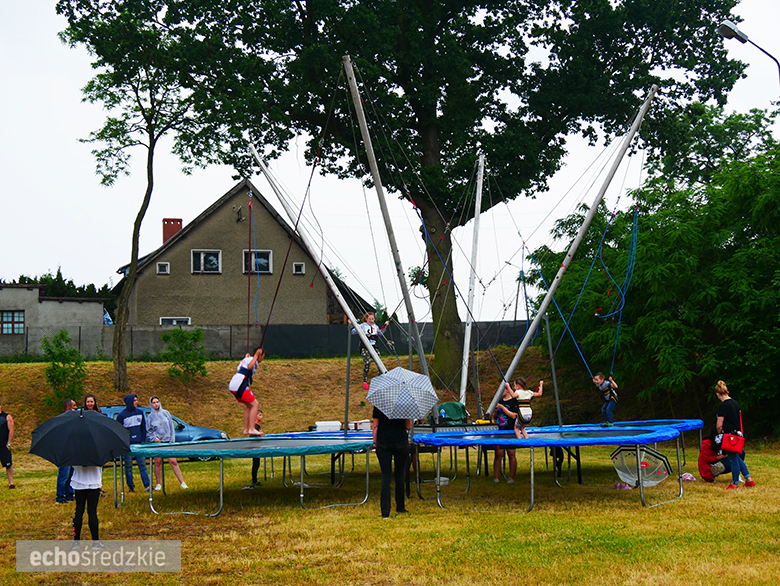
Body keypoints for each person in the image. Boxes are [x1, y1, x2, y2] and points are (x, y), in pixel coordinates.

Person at [715, 380, 755, 490]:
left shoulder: (723, 406)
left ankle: (735, 483)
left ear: (718, 394)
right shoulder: (735, 403)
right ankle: (749, 479)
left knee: (733, 460)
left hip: (728, 436)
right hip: (737, 435)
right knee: (737, 458)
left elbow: (719, 425)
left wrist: (719, 435)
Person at [372, 405, 411, 518]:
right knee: (399, 475)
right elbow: (408, 426)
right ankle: (400, 507)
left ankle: (385, 511)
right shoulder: (404, 405)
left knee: (386, 476)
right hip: (401, 441)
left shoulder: (378, 404)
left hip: (383, 442)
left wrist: (375, 443)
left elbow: (375, 426)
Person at [147, 396, 187, 491]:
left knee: (173, 461)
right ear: (151, 404)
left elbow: (171, 428)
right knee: (157, 462)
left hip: (167, 442)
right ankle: (158, 484)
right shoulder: (150, 417)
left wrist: (172, 441)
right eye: (154, 402)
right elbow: (149, 430)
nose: (156, 404)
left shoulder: (166, 413)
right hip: (158, 443)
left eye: (157, 402)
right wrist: (154, 438)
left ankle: (182, 482)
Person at [116, 394, 150, 492]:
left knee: (142, 465)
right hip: (128, 445)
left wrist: (142, 440)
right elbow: (119, 431)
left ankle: (147, 485)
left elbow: (143, 428)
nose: (136, 402)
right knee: (128, 467)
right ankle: (131, 486)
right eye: (134, 400)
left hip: (139, 444)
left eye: (136, 400)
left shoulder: (140, 412)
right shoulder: (122, 415)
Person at [228, 347, 265, 436]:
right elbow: (249, 367)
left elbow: (241, 366)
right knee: (255, 404)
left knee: (249, 406)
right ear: (260, 355)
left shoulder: (247, 359)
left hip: (234, 383)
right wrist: (256, 356)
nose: (263, 358)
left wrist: (249, 357)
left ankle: (246, 429)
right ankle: (252, 428)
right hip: (240, 384)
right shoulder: (253, 360)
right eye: (263, 356)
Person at [351, 312, 389, 390]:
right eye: (370, 319)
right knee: (367, 363)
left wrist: (385, 326)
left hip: (374, 347)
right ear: (366, 319)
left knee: (379, 363)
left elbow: (380, 333)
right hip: (365, 348)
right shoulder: (362, 326)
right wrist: (354, 326)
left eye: (373, 319)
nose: (372, 320)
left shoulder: (375, 327)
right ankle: (365, 381)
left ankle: (380, 380)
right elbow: (353, 332)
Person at [493, 381, 519, 484]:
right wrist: (495, 411)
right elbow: (495, 417)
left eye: (502, 389)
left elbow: (513, 416)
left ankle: (511, 477)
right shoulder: (499, 401)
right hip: (500, 431)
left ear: (508, 390)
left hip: (511, 430)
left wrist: (502, 408)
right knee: (498, 454)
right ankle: (496, 477)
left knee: (511, 453)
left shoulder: (514, 402)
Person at [70, 465, 103, 545]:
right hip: (94, 481)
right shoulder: (99, 452)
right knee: (92, 512)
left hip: (79, 481)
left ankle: (76, 542)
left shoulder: (75, 452)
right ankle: (96, 542)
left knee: (79, 511)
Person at [56, 399, 77, 503]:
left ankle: (69, 494)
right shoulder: (62, 420)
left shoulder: (74, 420)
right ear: (68, 408)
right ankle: (60, 497)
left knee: (71, 475)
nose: (76, 407)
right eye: (74, 405)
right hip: (65, 451)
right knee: (64, 474)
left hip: (73, 450)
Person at [245, 410, 266, 490]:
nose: (262, 417)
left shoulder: (257, 425)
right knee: (255, 464)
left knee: (257, 464)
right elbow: (253, 436)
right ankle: (254, 481)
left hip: (258, 446)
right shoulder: (254, 425)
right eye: (260, 415)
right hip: (255, 447)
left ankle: (255, 480)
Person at [0, 401, 15, 489]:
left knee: (8, 465)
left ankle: (11, 483)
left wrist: (8, 443)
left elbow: (11, 430)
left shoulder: (7, 417)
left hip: (4, 445)